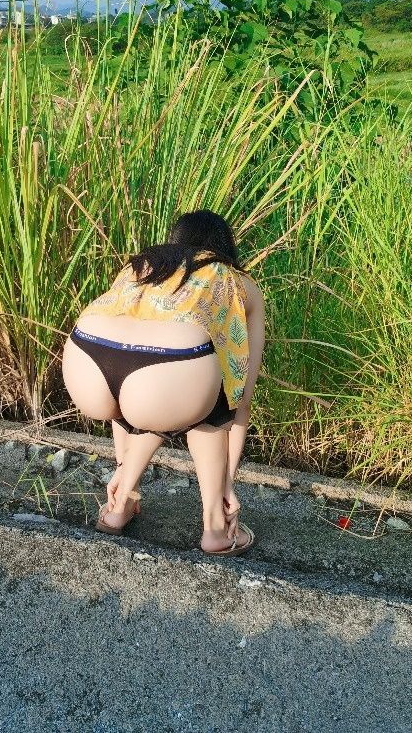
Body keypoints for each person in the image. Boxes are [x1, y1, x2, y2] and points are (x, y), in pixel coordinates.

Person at [61, 210, 266, 556]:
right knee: (213, 398)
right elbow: (240, 397)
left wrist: (124, 466)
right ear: (225, 246)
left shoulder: (145, 263)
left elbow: (130, 354)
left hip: (85, 361)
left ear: (176, 241)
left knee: (140, 398)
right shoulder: (236, 281)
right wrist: (226, 484)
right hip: (164, 377)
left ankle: (120, 505)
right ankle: (216, 528)